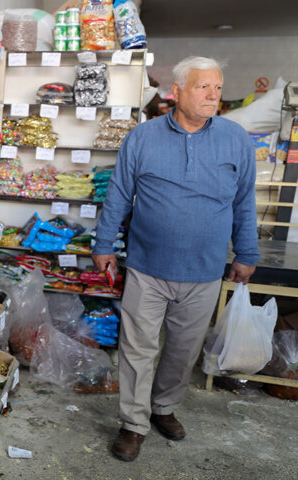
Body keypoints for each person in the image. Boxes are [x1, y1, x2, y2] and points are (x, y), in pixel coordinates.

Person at [92, 56, 259, 462]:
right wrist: (103, 245)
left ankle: (162, 408)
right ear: (177, 92)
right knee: (137, 349)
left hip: (204, 270)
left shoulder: (236, 139)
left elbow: (244, 201)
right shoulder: (143, 138)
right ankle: (133, 424)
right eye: (203, 87)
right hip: (147, 267)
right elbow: (117, 195)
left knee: (183, 351)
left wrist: (247, 251)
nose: (213, 95)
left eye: (218, 88)